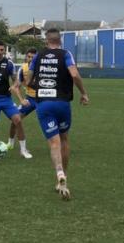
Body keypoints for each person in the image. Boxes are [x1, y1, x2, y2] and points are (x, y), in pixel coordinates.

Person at [25, 29, 89, 201]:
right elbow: (74, 74)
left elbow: (28, 78)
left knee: (54, 143)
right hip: (62, 104)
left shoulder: (38, 56)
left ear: (46, 41)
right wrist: (83, 93)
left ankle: (59, 172)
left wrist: (32, 84)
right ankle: (62, 176)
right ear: (59, 40)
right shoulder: (65, 53)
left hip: (44, 104)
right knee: (64, 139)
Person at [8, 48, 38, 151]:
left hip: (43, 100)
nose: (30, 59)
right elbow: (16, 87)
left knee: (54, 120)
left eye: (33, 57)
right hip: (30, 99)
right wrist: (21, 100)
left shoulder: (43, 68)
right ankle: (10, 143)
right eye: (29, 57)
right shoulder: (23, 68)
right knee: (15, 119)